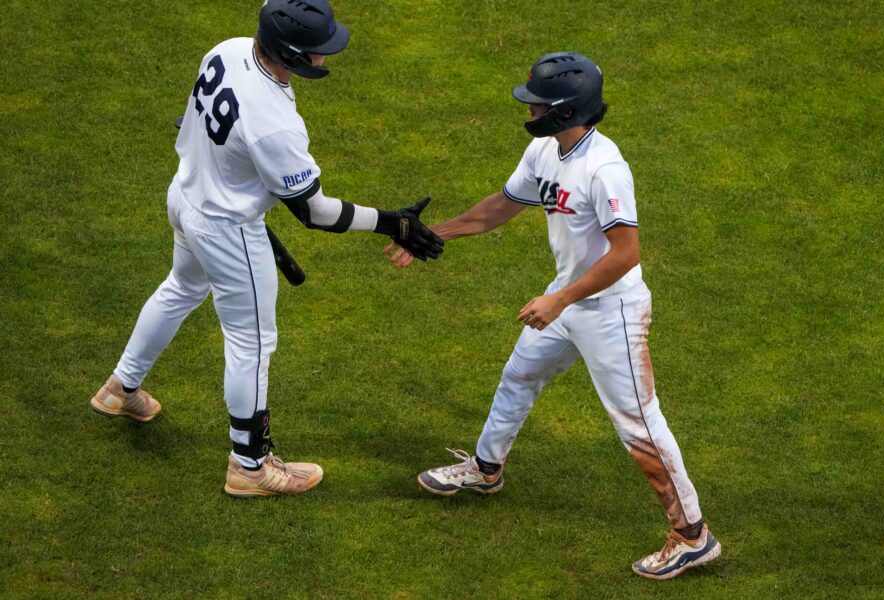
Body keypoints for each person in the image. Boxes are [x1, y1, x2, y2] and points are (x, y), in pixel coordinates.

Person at [89, 0, 443, 498]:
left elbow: (197, 123)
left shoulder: (228, 50)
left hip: (186, 196)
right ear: (292, 53)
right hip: (228, 230)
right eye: (318, 51)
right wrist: (393, 224)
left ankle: (120, 389)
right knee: (252, 342)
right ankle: (250, 465)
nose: (325, 57)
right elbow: (314, 212)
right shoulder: (275, 121)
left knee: (181, 288)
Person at [387, 52, 720, 580]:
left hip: (610, 311)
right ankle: (486, 469)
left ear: (566, 110)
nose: (531, 109)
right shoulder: (545, 149)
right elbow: (502, 204)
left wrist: (560, 300)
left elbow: (626, 253)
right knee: (520, 376)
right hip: (567, 299)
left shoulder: (604, 168)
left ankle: (692, 536)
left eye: (539, 103)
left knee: (638, 425)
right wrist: (433, 234)